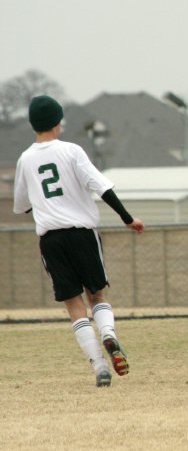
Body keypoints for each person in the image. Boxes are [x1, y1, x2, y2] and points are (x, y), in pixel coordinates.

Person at [13, 95, 144, 387]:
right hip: (82, 234)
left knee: (74, 305)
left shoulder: (25, 159)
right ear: (58, 122)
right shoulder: (71, 151)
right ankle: (108, 334)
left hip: (51, 240)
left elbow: (22, 205)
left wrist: (48, 206)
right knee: (96, 295)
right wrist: (127, 218)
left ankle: (99, 367)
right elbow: (102, 186)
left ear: (33, 124)